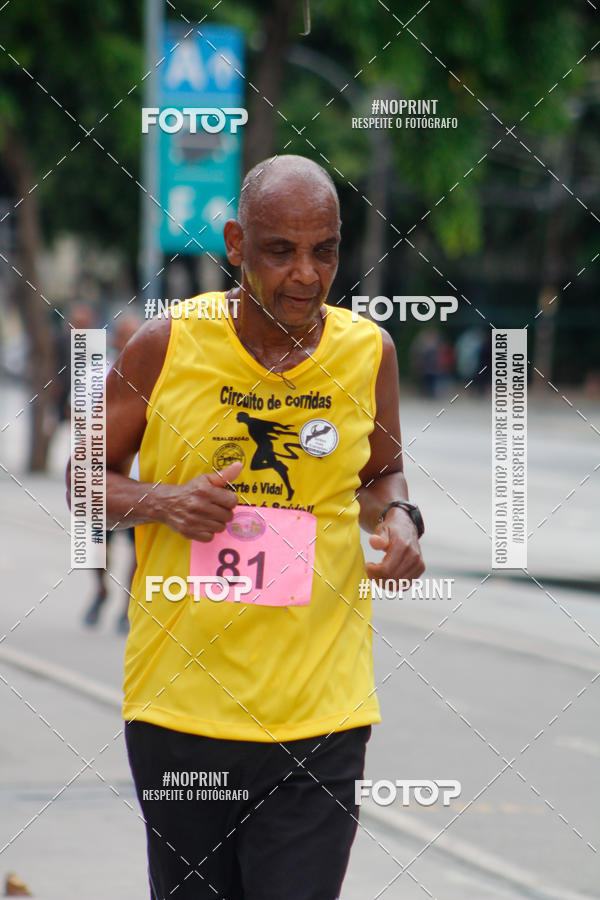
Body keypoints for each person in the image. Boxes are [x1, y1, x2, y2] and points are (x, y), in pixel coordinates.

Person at [67, 155, 425, 899]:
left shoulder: (369, 353)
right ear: (235, 244)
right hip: (181, 713)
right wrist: (166, 502)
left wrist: (399, 517)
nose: (304, 274)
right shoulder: (165, 346)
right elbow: (82, 477)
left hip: (321, 715)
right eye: (279, 251)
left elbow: (379, 474)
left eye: (323, 251)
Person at [83, 313, 142, 632]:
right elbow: (76, 414)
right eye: (123, 334)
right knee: (96, 545)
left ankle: (125, 607)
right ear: (115, 338)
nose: (128, 340)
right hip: (101, 475)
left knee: (137, 548)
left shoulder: (154, 376)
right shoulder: (96, 374)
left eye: (134, 334)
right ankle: (100, 592)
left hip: (138, 478)